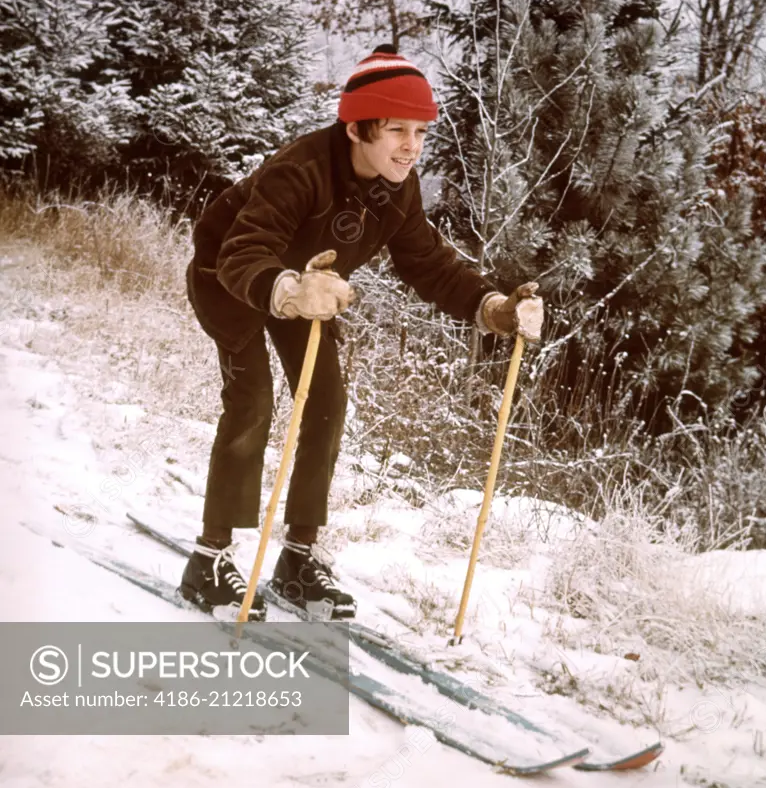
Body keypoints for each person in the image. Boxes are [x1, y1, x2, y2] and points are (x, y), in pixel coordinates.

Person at [179, 44, 544, 621]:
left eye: (420, 132)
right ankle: (209, 558)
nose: (412, 146)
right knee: (253, 402)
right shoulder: (300, 169)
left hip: (310, 293)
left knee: (325, 402)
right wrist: (290, 290)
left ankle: (298, 559)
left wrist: (491, 306)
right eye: (397, 130)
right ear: (356, 127)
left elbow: (427, 262)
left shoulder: (400, 188)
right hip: (231, 280)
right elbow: (242, 250)